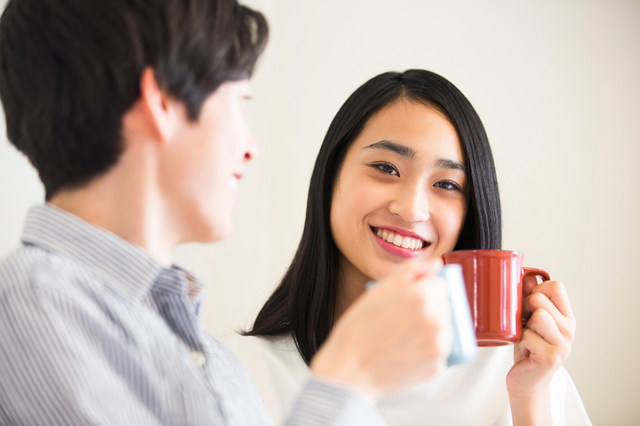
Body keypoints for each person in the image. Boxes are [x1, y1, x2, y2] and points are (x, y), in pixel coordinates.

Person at [0, 1, 462, 425]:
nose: (250, 148)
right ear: (161, 104)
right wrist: (350, 376)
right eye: (237, 105)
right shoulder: (34, 304)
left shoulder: (212, 360)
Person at [229, 69, 593, 425]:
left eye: (447, 185)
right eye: (386, 168)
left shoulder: (523, 374)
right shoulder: (241, 371)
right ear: (330, 176)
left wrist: (529, 400)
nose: (412, 209)